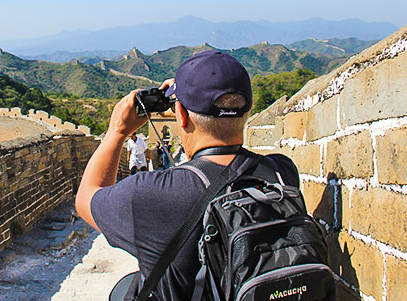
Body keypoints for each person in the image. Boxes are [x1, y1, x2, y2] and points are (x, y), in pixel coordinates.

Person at [75, 51, 300, 300]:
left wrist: (116, 132)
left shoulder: (152, 194)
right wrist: (192, 91)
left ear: (180, 115)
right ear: (249, 109)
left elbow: (87, 198)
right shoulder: (281, 173)